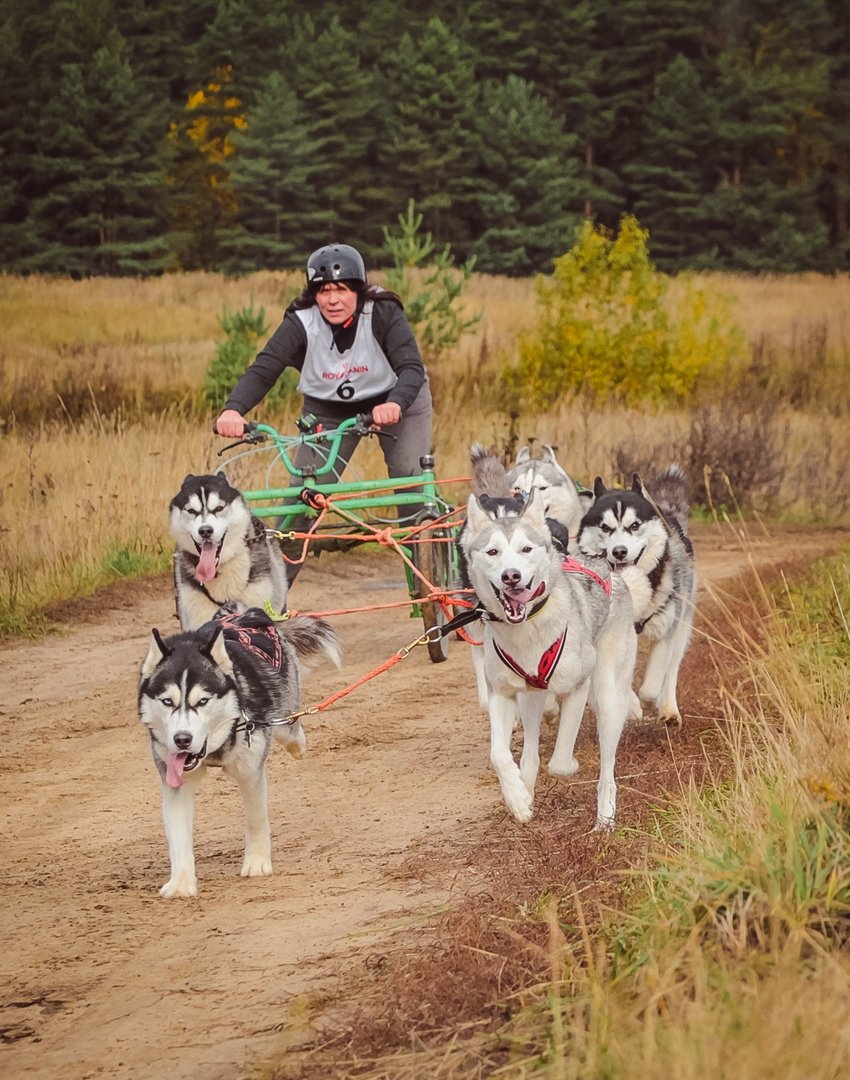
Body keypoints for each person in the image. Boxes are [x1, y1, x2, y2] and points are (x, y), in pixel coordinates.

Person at [214, 242, 433, 580]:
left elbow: (411, 367)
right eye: (324, 290)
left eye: (342, 289)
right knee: (303, 496)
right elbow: (264, 369)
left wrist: (394, 404)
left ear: (358, 290)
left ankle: (430, 580)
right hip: (329, 409)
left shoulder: (383, 312)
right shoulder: (301, 321)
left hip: (396, 399)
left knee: (411, 482)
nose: (333, 299)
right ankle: (271, 595)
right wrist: (233, 410)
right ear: (313, 294)